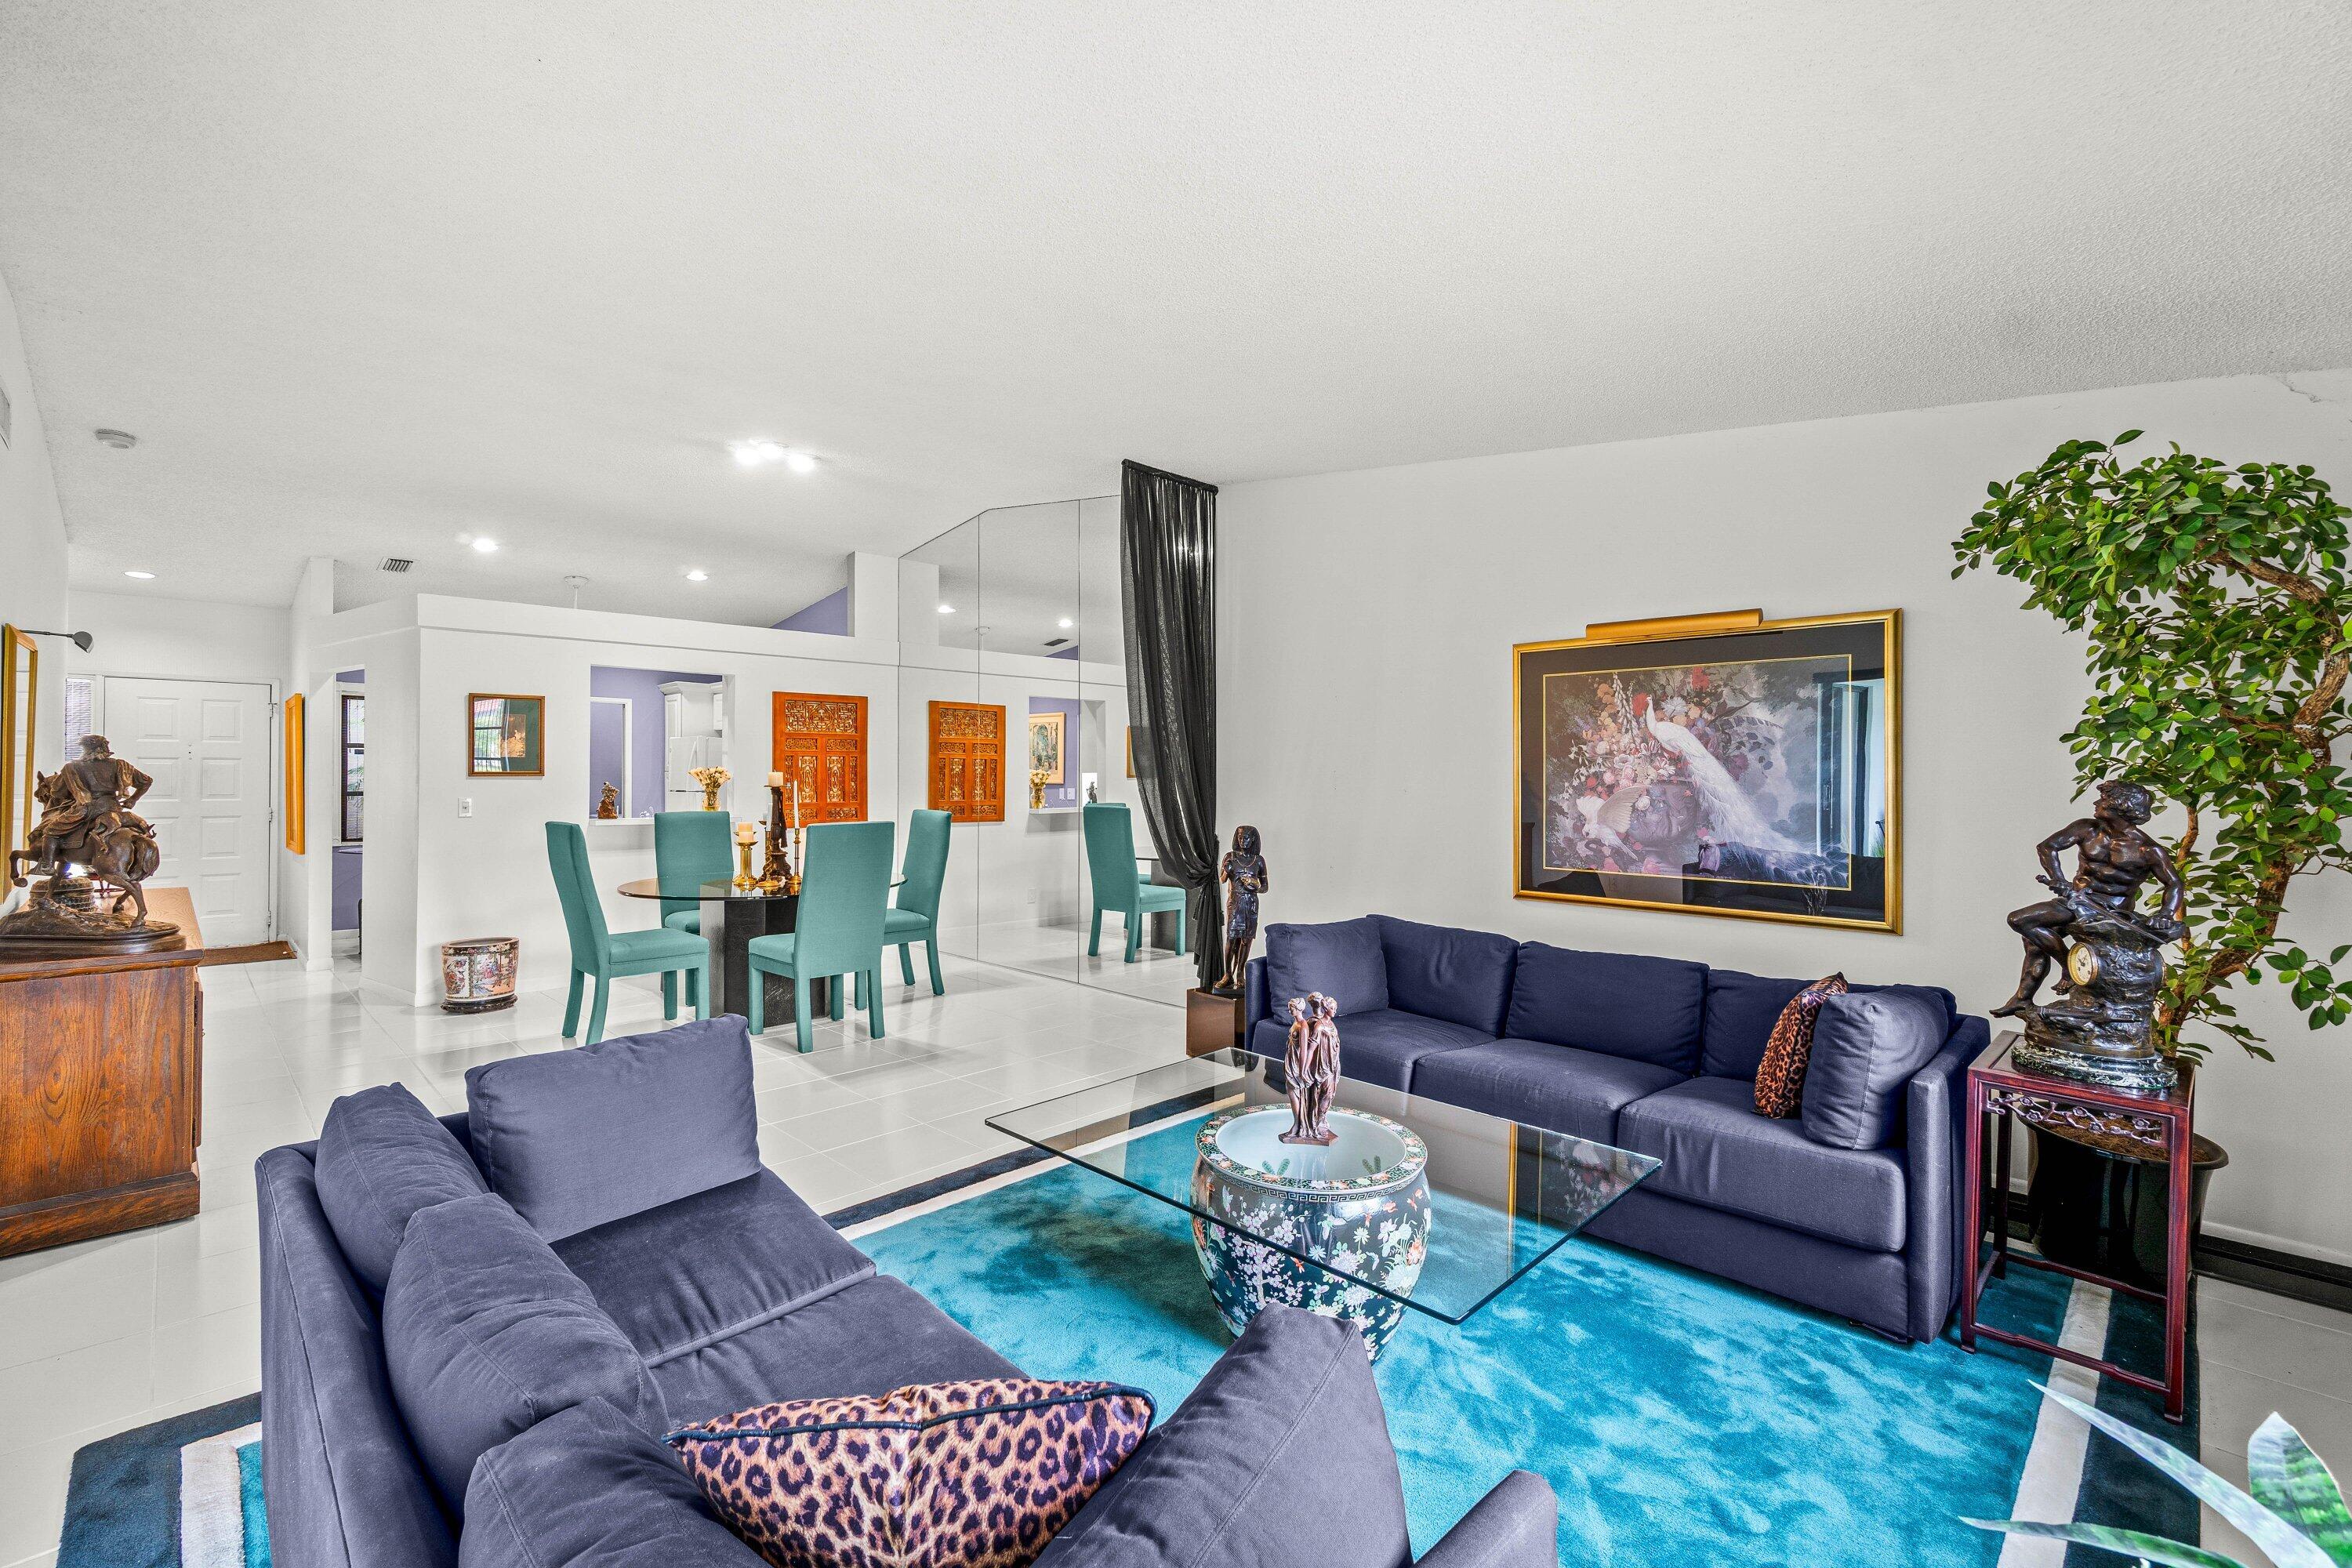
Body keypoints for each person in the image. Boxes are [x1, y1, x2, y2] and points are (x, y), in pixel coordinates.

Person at [1992, 780, 2186, 1018]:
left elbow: (2174, 883)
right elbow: (2047, 847)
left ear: (2121, 806)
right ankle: (2025, 998)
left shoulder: (2148, 850)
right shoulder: (2087, 829)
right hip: (2075, 901)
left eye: (2103, 800)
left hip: (2110, 912)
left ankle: (2069, 968)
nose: (2096, 803)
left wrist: (2165, 914)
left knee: (2022, 922)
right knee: (2033, 938)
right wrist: (2059, 879)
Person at [1211, 826, 1269, 998]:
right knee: (1231, 938)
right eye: (1240, 837)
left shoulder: (1258, 861)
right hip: (1235, 902)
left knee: (1246, 940)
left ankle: (1240, 974)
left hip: (1250, 903)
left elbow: (1265, 887)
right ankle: (1227, 974)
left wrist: (1254, 883)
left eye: (1246, 838)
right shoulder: (1230, 857)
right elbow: (1221, 879)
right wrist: (1226, 870)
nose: (1242, 841)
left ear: (1252, 840)